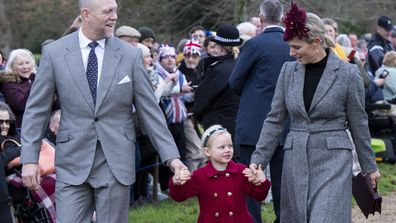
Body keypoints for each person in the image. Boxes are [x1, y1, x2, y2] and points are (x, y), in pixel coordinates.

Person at [20, 0, 188, 222]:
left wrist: (172, 158)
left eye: (116, 10)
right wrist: (29, 159)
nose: (114, 17)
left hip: (115, 161)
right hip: (72, 162)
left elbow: (151, 113)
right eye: (108, 11)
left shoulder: (131, 55)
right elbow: (36, 110)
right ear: (86, 15)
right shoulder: (55, 53)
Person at [248, 3, 380, 222]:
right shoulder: (288, 71)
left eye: (297, 47)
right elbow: (274, 120)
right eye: (290, 46)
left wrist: (369, 167)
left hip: (334, 162)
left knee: (324, 217)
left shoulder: (348, 74)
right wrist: (258, 159)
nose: (291, 53)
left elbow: (359, 123)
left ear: (317, 42)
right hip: (295, 159)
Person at [229, 1, 293, 222]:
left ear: (261, 18)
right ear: (283, 18)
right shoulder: (293, 45)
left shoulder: (255, 44)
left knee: (250, 184)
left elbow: (235, 81)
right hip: (286, 126)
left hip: (254, 123)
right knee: (283, 186)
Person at [169, 125, 271, 223]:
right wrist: (176, 182)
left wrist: (261, 182)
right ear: (207, 152)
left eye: (230, 146)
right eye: (222, 147)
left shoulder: (241, 171)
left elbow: (258, 196)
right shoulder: (200, 176)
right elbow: (179, 196)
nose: (227, 150)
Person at [193, 23, 242, 148]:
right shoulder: (240, 65)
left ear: (220, 46)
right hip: (238, 123)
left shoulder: (219, 69)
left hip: (218, 126)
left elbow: (201, 99)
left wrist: (197, 116)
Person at [1, 48, 37, 129]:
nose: (25, 67)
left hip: (43, 126)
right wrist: (36, 84)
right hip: (22, 129)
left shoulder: (33, 80)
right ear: (12, 67)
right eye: (20, 64)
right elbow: (22, 106)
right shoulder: (8, 84)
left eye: (27, 63)